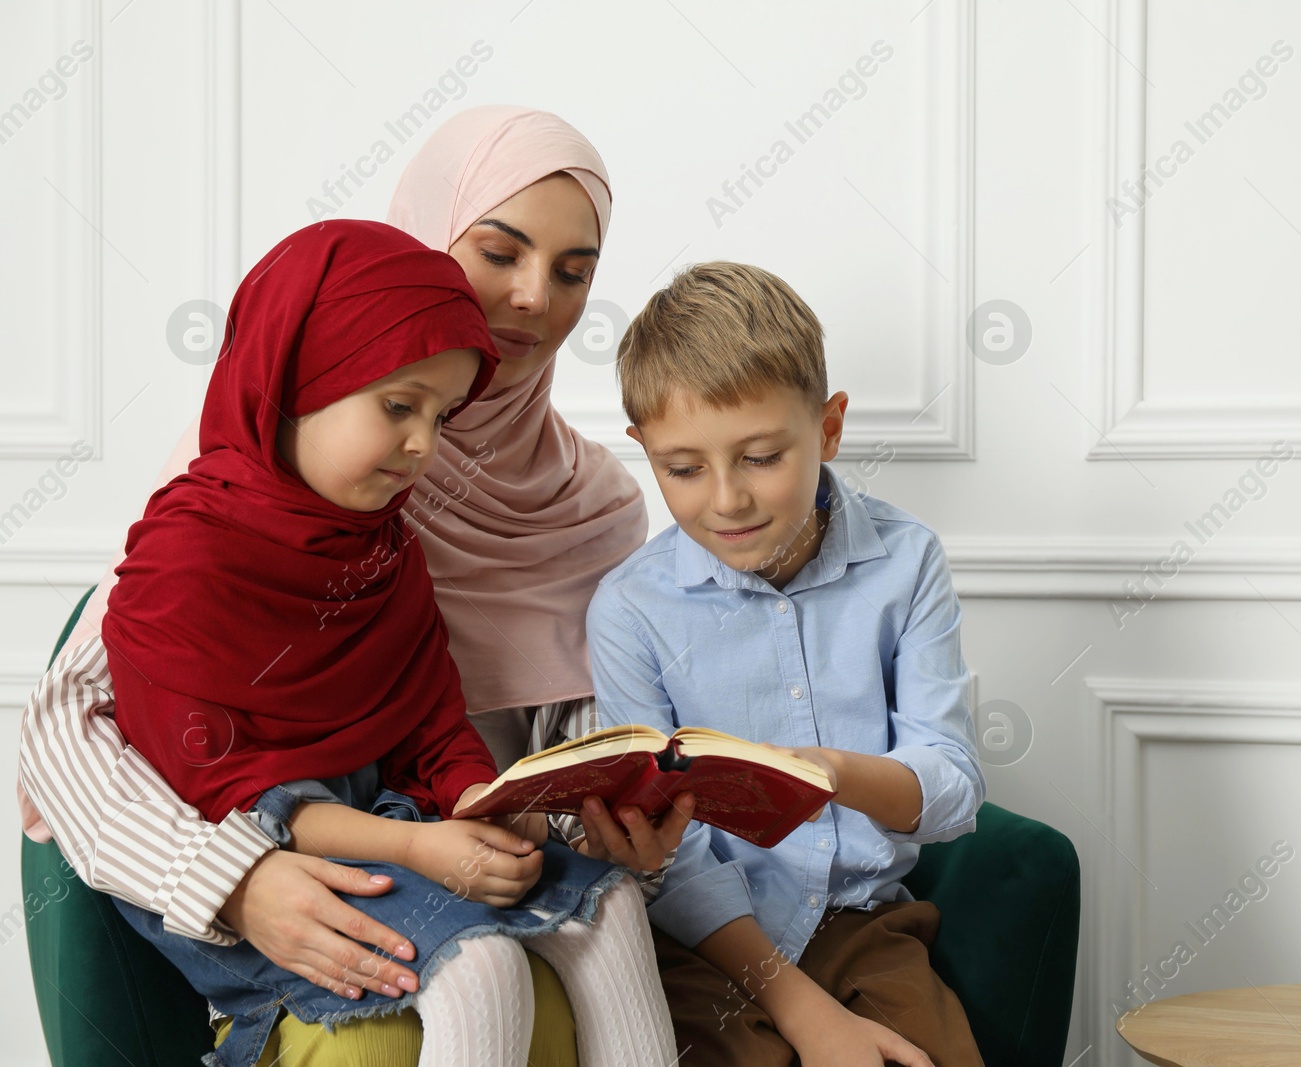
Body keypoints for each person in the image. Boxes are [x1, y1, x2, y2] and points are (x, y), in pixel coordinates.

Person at [17, 107, 688, 1065]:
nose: (536, 299)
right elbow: (73, 724)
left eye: (575, 271)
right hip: (295, 882)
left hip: (458, 847)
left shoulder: (591, 506)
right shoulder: (237, 483)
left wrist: (582, 821)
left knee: (598, 914)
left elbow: (516, 747)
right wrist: (240, 881)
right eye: (498, 252)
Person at [587, 261, 987, 1066]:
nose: (727, 499)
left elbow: (952, 790)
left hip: (864, 923)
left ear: (829, 428)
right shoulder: (630, 609)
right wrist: (801, 1010)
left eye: (762, 456)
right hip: (710, 940)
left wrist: (836, 773)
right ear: (644, 451)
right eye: (684, 468)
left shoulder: (906, 563)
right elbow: (675, 860)